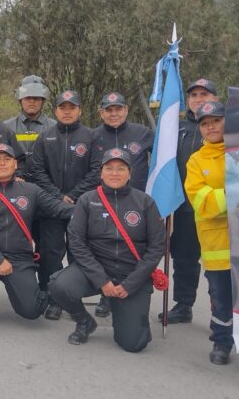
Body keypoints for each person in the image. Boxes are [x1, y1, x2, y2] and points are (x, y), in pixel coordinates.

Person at [49, 148, 165, 352]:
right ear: (101, 173)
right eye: (109, 168)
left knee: (134, 343)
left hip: (131, 274)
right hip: (96, 270)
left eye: (121, 168)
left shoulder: (145, 202)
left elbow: (157, 247)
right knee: (60, 285)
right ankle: (84, 321)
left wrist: (131, 284)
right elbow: (77, 242)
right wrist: (101, 280)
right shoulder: (87, 200)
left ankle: (122, 311)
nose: (114, 173)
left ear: (130, 173)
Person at [185, 100, 239, 375]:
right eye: (205, 123)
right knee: (220, 297)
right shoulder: (196, 160)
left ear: (226, 122)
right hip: (216, 244)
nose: (210, 127)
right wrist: (238, 193)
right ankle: (222, 342)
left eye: (215, 121)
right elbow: (201, 201)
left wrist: (231, 195)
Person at [0, 143, 74, 329]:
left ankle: (46, 293)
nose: (2, 163)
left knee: (31, 311)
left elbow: (57, 208)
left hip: (19, 258)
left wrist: (88, 211)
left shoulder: (30, 190)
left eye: (7, 159)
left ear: (15, 164)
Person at [28, 90, 100, 320]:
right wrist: (57, 195)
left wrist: (75, 195)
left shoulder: (91, 136)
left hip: (82, 207)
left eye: (72, 107)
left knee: (78, 253)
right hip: (50, 207)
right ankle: (53, 298)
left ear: (79, 110)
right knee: (50, 253)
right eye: (62, 107)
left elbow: (98, 170)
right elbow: (36, 170)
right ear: (56, 110)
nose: (67, 112)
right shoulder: (45, 136)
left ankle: (73, 297)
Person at [160, 78, 218, 324]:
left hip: (217, 210)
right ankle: (183, 305)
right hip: (185, 208)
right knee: (184, 259)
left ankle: (222, 314)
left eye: (204, 94)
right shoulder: (177, 127)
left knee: (219, 266)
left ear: (215, 98)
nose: (198, 99)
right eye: (194, 95)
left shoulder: (225, 127)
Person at [91, 91, 153, 317]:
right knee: (105, 250)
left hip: (136, 204)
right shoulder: (93, 136)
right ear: (101, 113)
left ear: (126, 110)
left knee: (132, 250)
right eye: (109, 109)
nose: (114, 113)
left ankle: (133, 290)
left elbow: (161, 164)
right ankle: (105, 297)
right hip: (103, 204)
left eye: (118, 109)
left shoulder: (144, 133)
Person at [4, 75, 56, 152]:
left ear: (43, 101)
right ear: (20, 100)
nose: (32, 101)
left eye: (36, 97)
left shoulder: (54, 127)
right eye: (27, 97)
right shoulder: (7, 127)